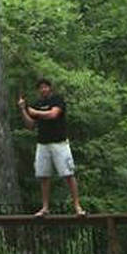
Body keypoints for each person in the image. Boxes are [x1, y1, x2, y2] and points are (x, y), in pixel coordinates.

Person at [18, 78, 86, 217]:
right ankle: (45, 207)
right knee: (43, 176)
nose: (43, 90)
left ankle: (77, 206)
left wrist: (35, 112)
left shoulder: (57, 99)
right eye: (41, 88)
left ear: (50, 88)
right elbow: (31, 125)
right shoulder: (38, 104)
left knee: (68, 174)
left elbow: (53, 114)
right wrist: (23, 110)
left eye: (45, 87)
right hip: (43, 144)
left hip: (59, 143)